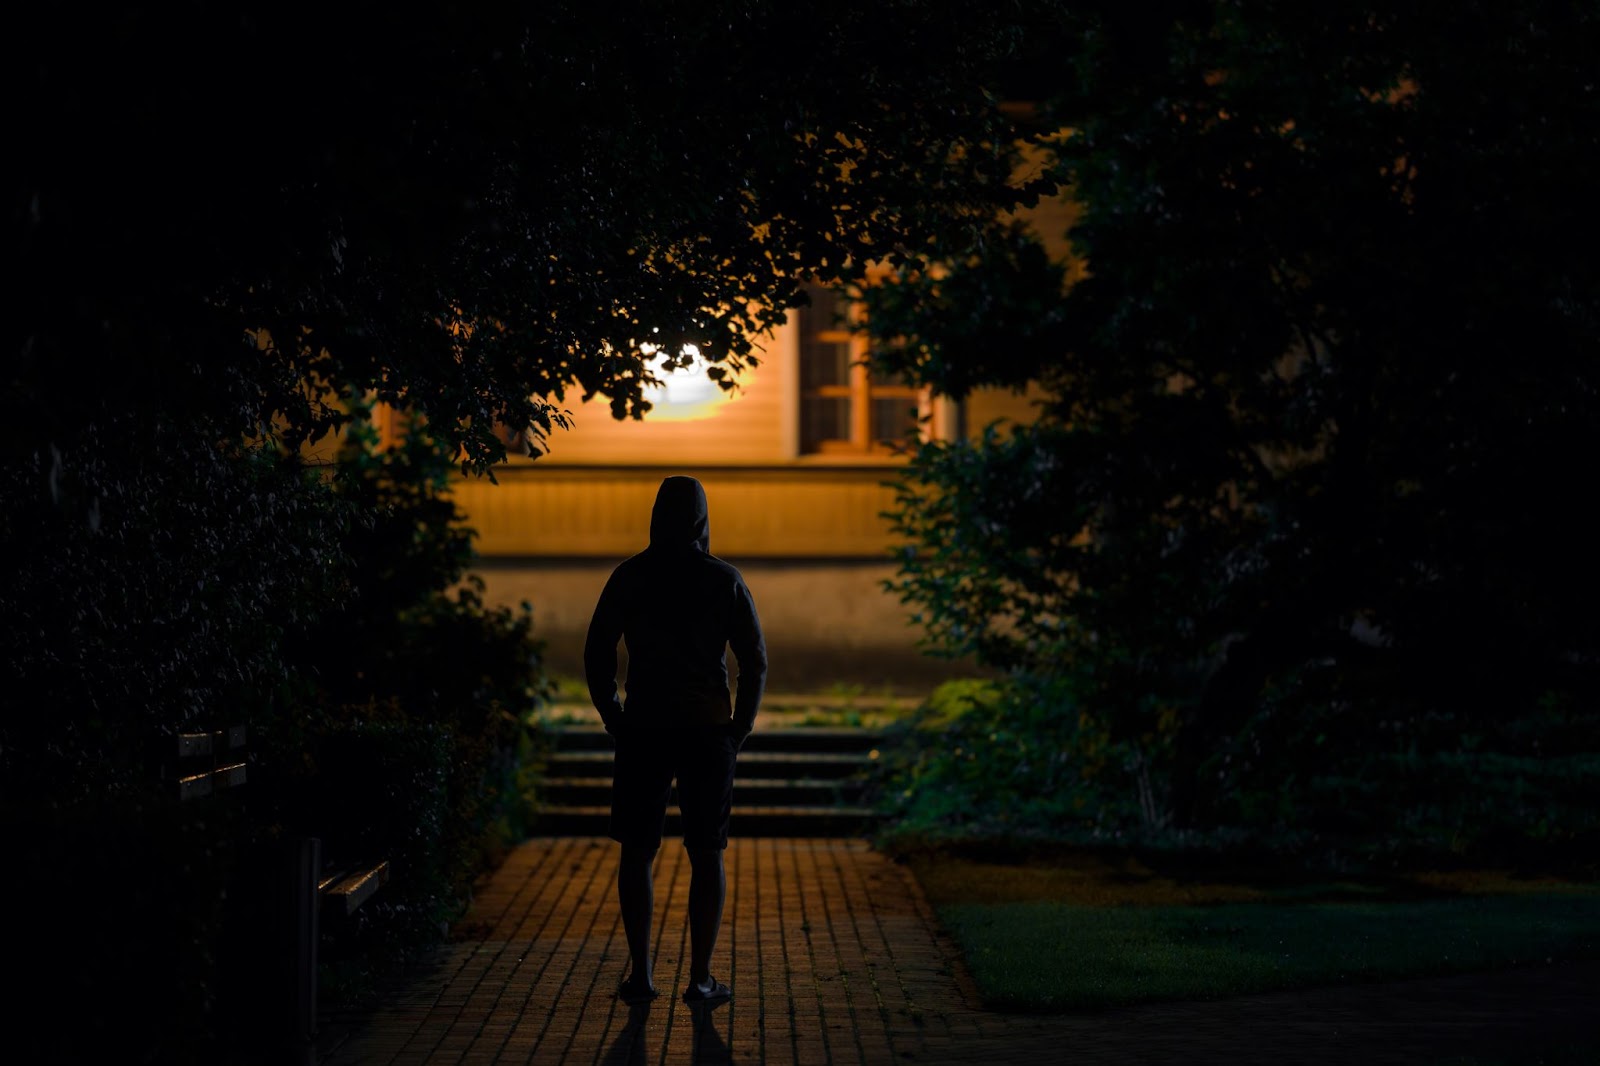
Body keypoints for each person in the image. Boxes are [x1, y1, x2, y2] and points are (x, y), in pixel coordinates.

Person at [584, 474, 767, 1008]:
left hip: (643, 726)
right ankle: (701, 977)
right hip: (708, 728)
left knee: (637, 851)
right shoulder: (724, 580)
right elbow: (753, 660)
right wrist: (740, 726)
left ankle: (641, 975)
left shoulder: (631, 576)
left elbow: (599, 647)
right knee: (707, 851)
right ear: (702, 518)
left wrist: (610, 710)